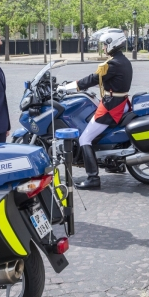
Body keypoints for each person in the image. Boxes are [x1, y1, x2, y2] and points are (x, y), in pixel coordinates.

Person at [58, 29, 133, 190]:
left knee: (85, 138)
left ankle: (93, 178)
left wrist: (67, 87)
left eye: (104, 45)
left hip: (112, 106)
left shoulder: (111, 64)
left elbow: (91, 79)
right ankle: (115, 165)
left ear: (111, 44)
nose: (103, 48)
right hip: (122, 101)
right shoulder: (123, 60)